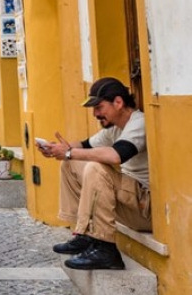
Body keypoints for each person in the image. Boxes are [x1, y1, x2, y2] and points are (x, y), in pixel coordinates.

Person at [38, 78, 150, 270]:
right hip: (131, 201)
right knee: (71, 163)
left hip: (145, 209)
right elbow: (83, 145)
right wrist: (57, 148)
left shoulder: (139, 123)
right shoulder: (114, 128)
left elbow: (115, 156)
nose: (95, 114)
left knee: (96, 168)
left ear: (118, 102)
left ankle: (106, 248)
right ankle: (84, 235)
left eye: (99, 107)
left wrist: (68, 152)